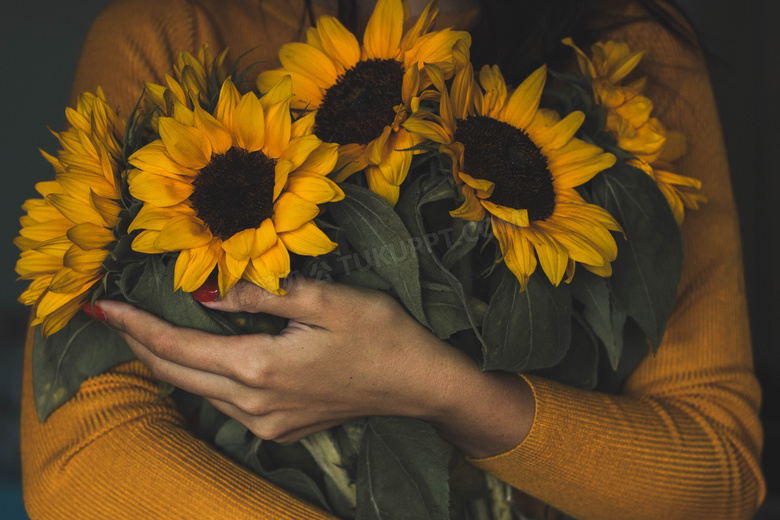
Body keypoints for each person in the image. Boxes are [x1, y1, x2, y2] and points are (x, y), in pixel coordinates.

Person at [20, 0, 765, 519]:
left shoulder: (629, 52)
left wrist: (436, 388)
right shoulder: (171, 31)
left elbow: (716, 476)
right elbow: (82, 457)